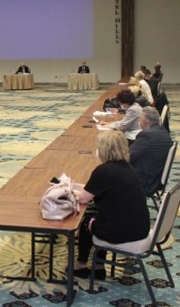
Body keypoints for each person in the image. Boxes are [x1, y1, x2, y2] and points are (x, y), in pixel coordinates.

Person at [73, 131, 150, 280]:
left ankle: (80, 265)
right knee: (100, 217)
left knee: (87, 223)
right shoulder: (128, 168)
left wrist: (73, 191)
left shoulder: (104, 171)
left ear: (104, 149)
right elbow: (102, 189)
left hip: (121, 233)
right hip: (140, 229)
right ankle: (99, 267)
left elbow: (83, 199)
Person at [129, 107, 173, 198]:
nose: (139, 122)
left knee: (109, 171)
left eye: (140, 119)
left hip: (144, 182)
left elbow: (128, 157)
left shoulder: (147, 135)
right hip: (155, 178)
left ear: (145, 122)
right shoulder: (163, 132)